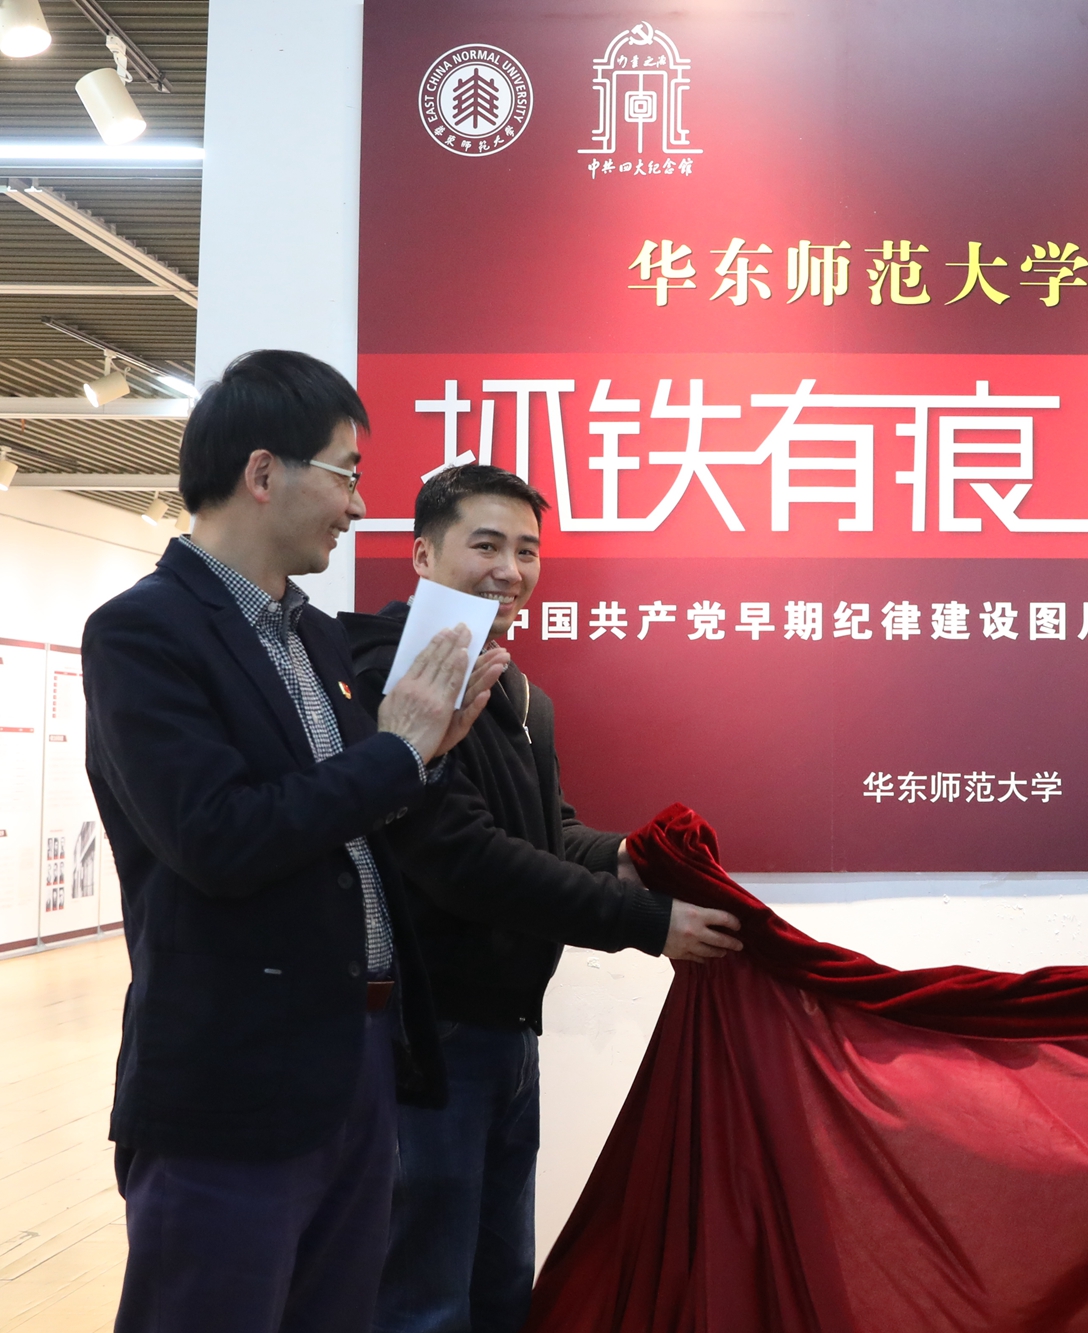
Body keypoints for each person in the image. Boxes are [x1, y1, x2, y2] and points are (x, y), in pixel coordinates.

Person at [82, 349, 508, 1333]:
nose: (359, 505)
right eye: (347, 473)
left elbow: (344, 813)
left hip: (354, 1059)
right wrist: (396, 752)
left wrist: (429, 753)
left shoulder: (314, 636)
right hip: (235, 1073)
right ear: (264, 472)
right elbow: (218, 836)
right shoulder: (144, 633)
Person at [338, 464, 742, 1333]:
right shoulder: (392, 680)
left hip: (507, 1035)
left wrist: (634, 857)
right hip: (425, 1041)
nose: (510, 570)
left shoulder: (517, 693)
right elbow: (463, 857)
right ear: (422, 554)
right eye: (485, 544)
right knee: (422, 1298)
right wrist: (651, 923)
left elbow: (547, 834)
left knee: (498, 1291)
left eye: (526, 550)